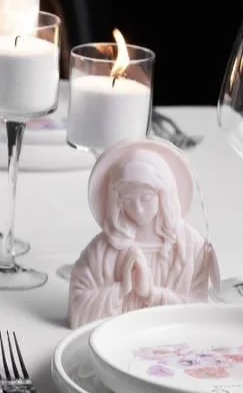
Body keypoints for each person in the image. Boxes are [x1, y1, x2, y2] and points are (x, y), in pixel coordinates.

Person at [68, 140, 218, 328]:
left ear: (163, 194)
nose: (138, 209)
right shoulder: (102, 250)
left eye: (146, 198)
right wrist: (121, 289)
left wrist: (151, 294)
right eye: (128, 200)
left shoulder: (190, 247)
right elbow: (78, 307)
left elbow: (201, 312)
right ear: (117, 202)